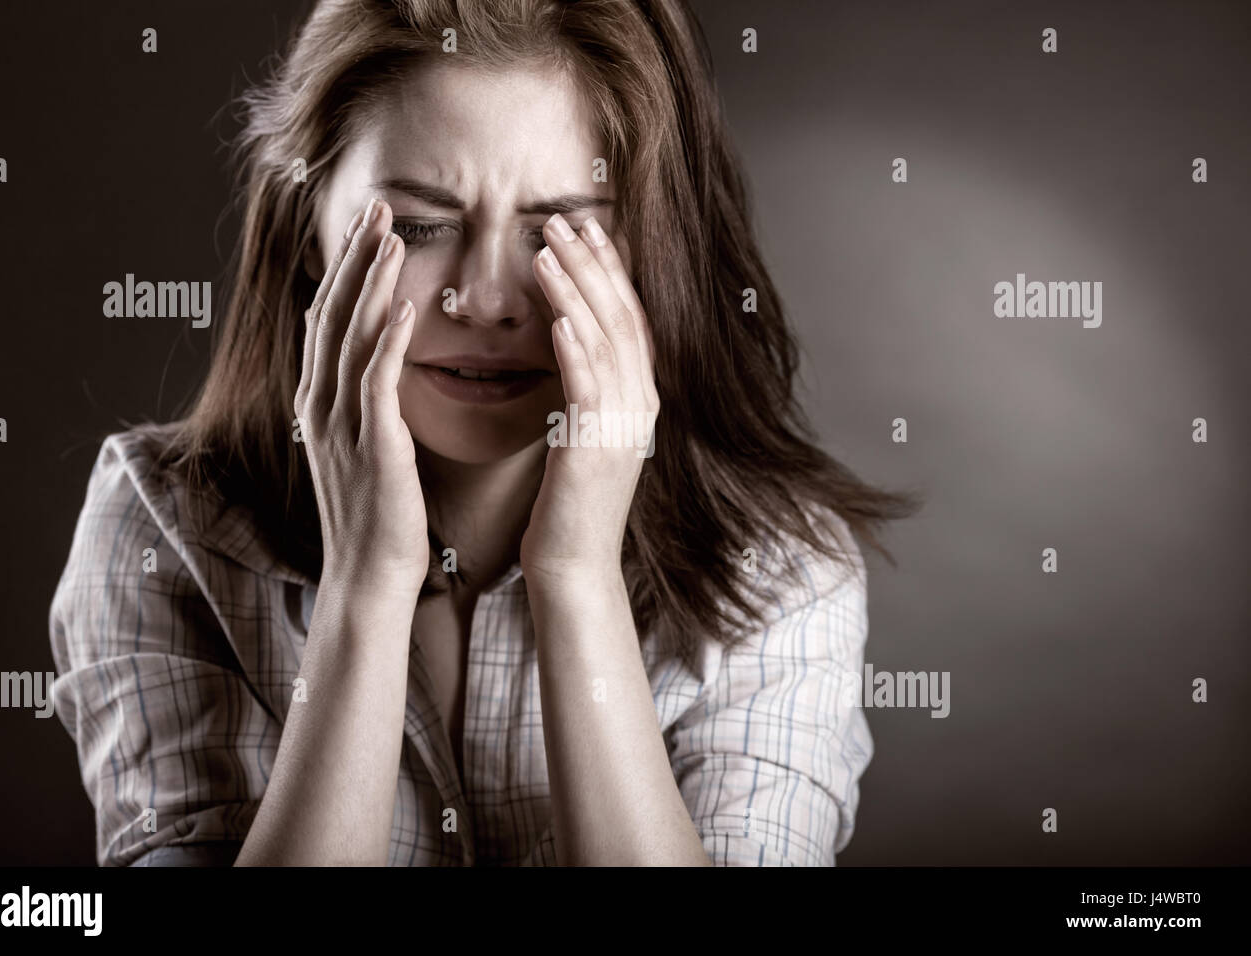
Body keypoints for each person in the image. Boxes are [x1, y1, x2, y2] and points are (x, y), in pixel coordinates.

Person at [48, 0, 920, 866]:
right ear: (308, 228)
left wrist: (577, 580)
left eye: (564, 231)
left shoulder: (783, 577)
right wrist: (366, 583)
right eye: (422, 227)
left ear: (652, 248)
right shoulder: (160, 530)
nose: (489, 300)